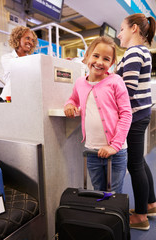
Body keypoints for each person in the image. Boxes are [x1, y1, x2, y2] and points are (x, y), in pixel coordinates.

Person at [64, 36, 132, 193]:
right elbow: (73, 98)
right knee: (97, 191)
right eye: (95, 55)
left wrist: (114, 146)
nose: (100, 62)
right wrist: (69, 104)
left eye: (106, 59)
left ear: (112, 63)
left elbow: (126, 114)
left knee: (114, 194)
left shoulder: (116, 81)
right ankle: (100, 217)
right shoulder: (80, 82)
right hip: (92, 150)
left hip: (116, 151)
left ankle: (113, 218)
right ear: (87, 55)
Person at [117, 13, 156, 230]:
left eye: (121, 29)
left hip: (134, 115)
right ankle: (150, 204)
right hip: (142, 113)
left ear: (133, 28)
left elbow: (126, 88)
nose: (119, 34)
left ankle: (140, 216)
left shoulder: (133, 52)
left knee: (134, 165)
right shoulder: (142, 51)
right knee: (139, 161)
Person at [0, 26, 37, 102]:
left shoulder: (32, 60)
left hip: (25, 99)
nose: (30, 42)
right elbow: (19, 71)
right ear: (18, 38)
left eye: (32, 40)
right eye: (27, 38)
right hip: (8, 99)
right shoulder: (7, 58)